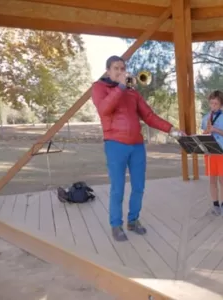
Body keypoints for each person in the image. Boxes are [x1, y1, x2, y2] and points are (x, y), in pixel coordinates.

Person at [91, 55, 185, 242]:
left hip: (136, 145)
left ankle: (133, 220)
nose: (121, 71)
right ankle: (116, 225)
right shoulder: (99, 88)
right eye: (116, 68)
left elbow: (149, 116)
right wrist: (120, 87)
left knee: (139, 187)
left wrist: (171, 129)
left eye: (123, 68)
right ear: (108, 70)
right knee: (117, 188)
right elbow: (104, 110)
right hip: (115, 144)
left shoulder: (132, 92)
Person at [200, 90, 223, 218]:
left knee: (222, 179)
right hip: (209, 153)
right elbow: (203, 134)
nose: (213, 106)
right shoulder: (205, 118)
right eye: (211, 103)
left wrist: (216, 130)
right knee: (212, 180)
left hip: (221, 153)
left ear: (221, 104)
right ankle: (215, 205)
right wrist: (206, 132)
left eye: (216, 104)